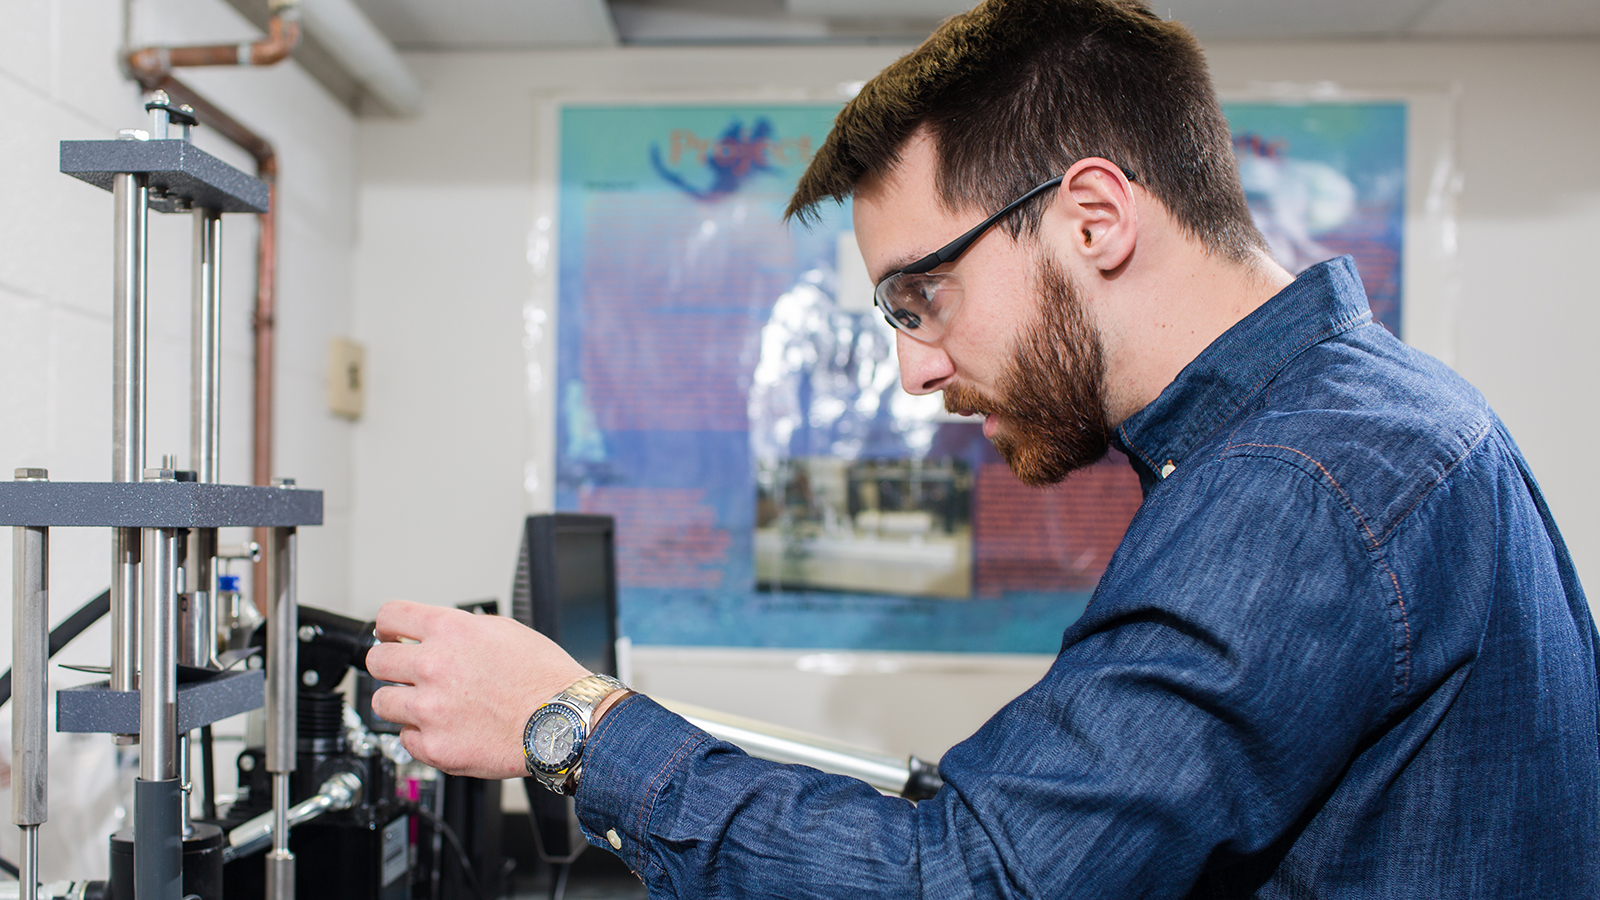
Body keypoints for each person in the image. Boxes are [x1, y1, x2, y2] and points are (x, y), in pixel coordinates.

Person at [365, 0, 1600, 895]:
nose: (911, 367)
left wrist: (567, 721)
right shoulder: (1363, 424)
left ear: (1093, 216)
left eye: (920, 297)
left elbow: (968, 886)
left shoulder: (1300, 482)